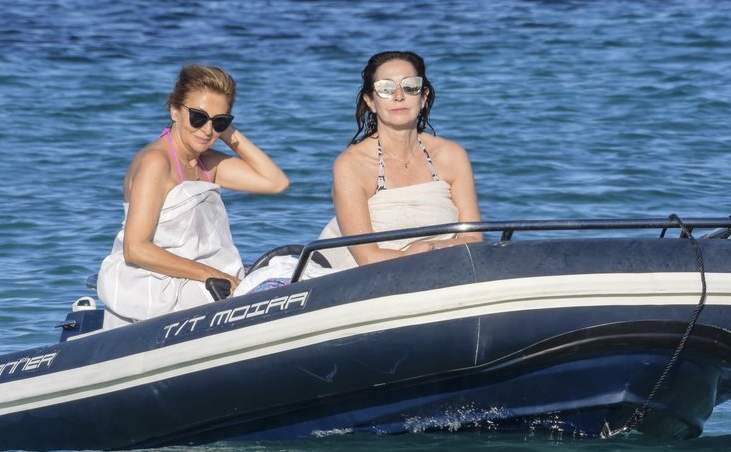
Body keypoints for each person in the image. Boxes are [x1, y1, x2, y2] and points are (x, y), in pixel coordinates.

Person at [97, 64, 289, 329]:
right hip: (159, 289)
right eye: (198, 117)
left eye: (219, 121)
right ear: (175, 110)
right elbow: (135, 248)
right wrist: (213, 275)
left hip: (204, 283)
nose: (207, 130)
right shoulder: (156, 162)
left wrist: (228, 133)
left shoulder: (205, 163)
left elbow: (275, 182)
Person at [317, 50, 482, 270]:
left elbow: (474, 238)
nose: (398, 96)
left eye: (410, 86)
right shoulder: (352, 164)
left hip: (444, 268)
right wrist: (420, 257)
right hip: (366, 276)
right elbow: (367, 257)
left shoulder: (452, 156)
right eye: (385, 88)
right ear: (371, 102)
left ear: (423, 97)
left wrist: (427, 248)